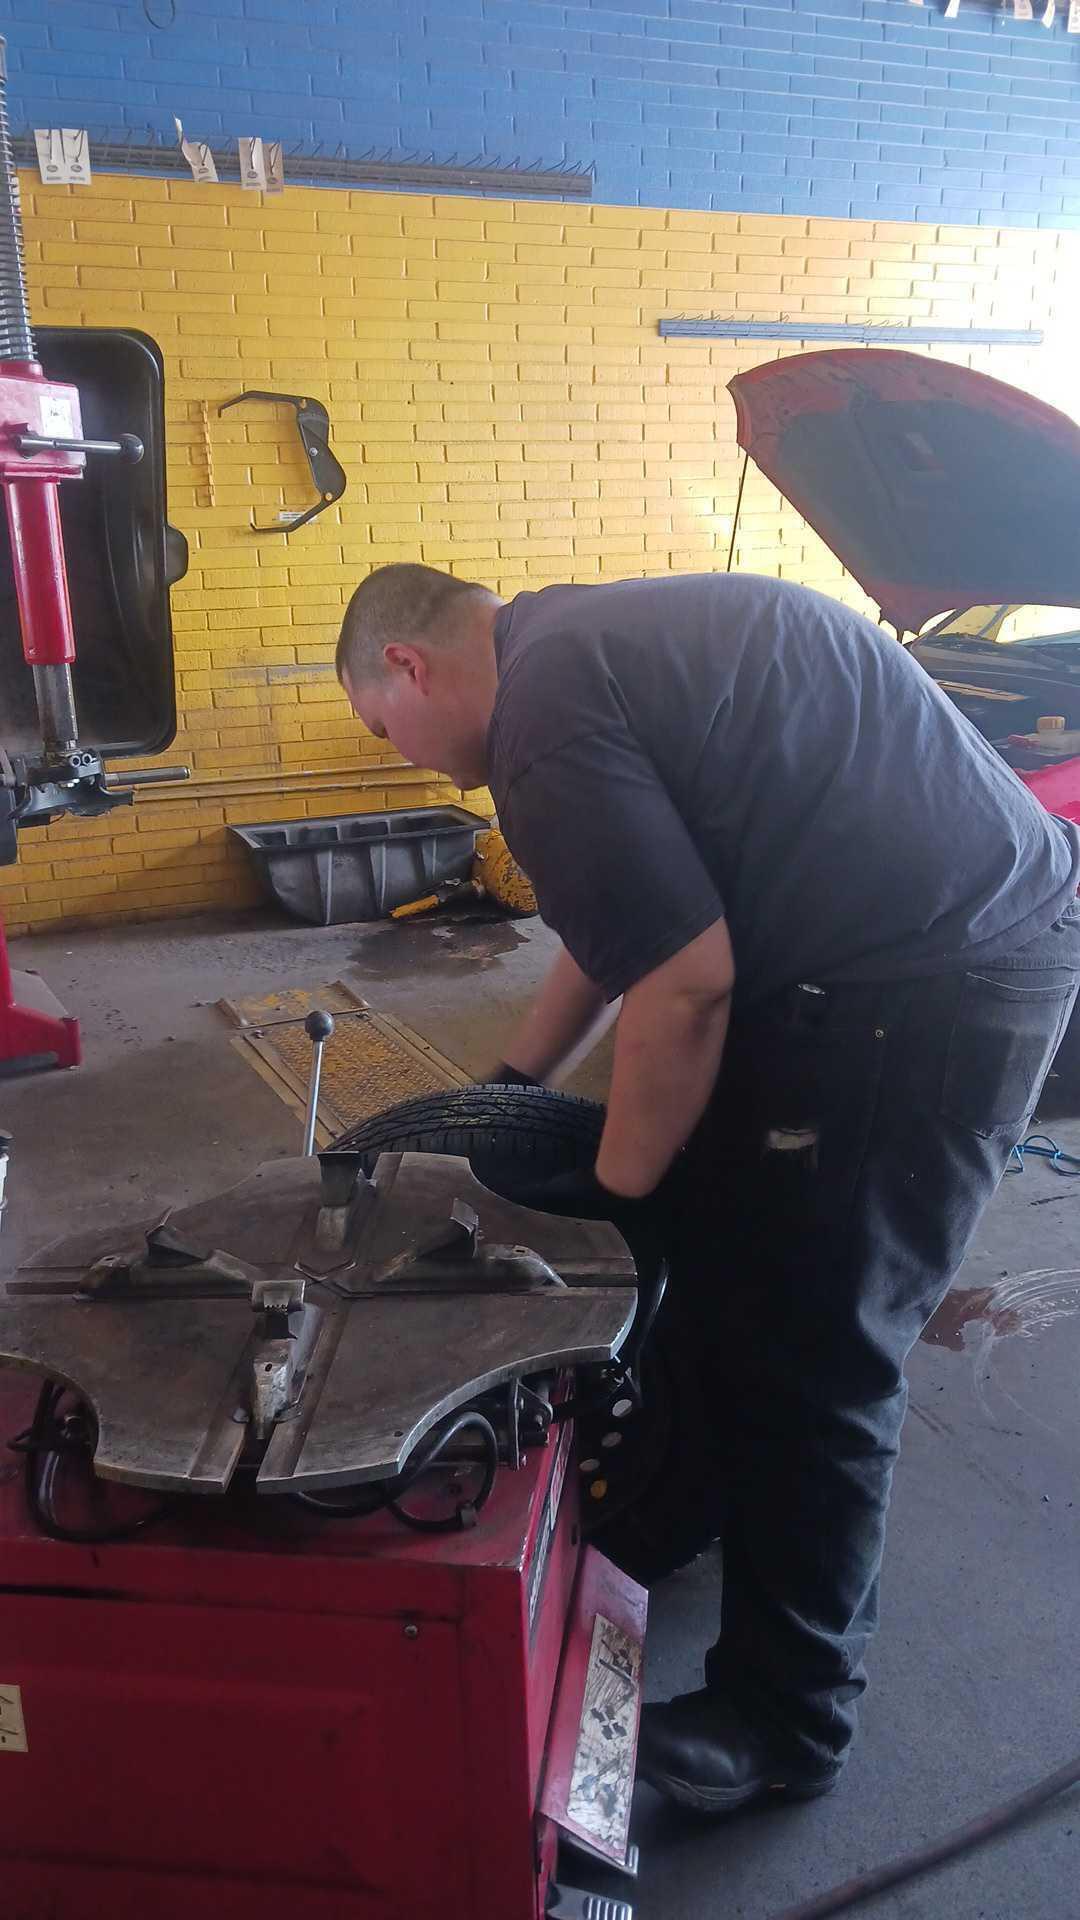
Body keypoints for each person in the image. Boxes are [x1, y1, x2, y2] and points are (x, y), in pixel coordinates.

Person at [335, 562, 1080, 1814]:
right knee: (735, 1259)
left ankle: (786, 1721)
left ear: (407, 666)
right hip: (936, 943)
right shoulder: (571, 645)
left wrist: (623, 1206)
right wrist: (515, 1085)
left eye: (380, 726)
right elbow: (623, 925)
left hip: (927, 986)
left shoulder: (543, 713)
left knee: (816, 1350)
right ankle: (702, 1499)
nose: (398, 754)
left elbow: (685, 985)